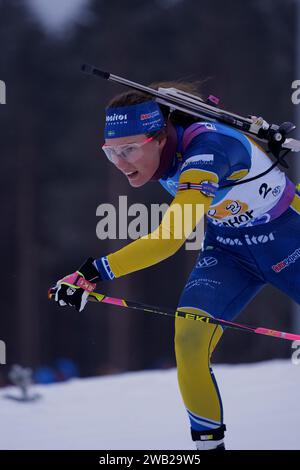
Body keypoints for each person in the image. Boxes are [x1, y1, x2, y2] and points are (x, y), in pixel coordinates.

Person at [51, 82, 300, 450]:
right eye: (112, 153)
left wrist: (91, 273)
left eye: (130, 149)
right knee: (188, 337)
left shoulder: (208, 152)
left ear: (160, 138)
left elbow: (169, 240)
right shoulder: (165, 141)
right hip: (228, 252)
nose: (121, 163)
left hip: (288, 240)